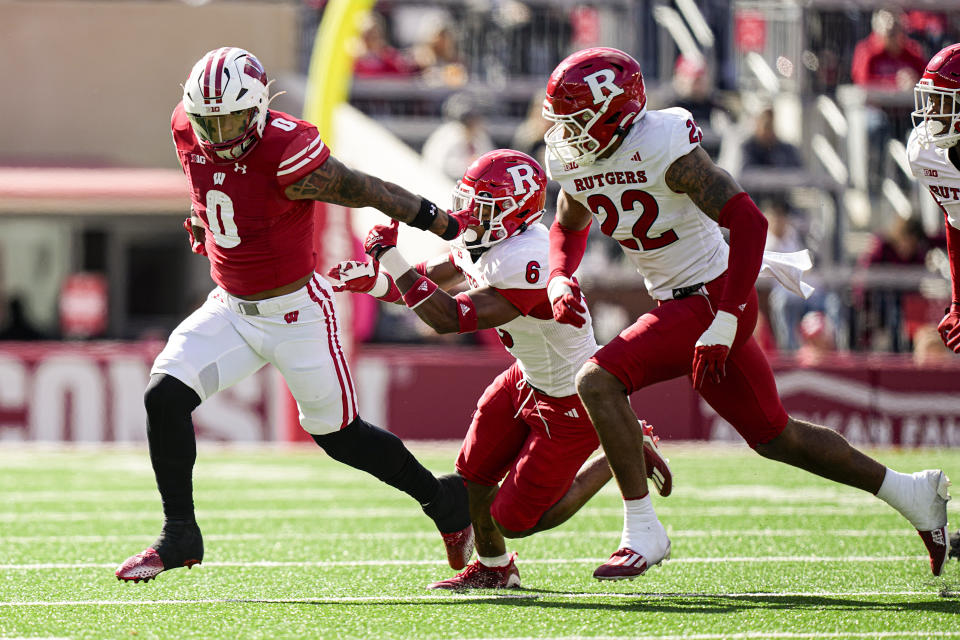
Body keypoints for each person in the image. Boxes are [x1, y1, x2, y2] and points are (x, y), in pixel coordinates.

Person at [541, 47, 951, 580]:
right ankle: (913, 493)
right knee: (775, 436)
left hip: (714, 293)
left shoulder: (663, 145)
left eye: (576, 120)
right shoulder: (576, 157)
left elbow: (749, 222)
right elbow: (569, 223)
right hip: (682, 300)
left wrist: (727, 318)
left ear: (613, 111)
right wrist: (558, 275)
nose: (566, 134)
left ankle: (642, 529)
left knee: (597, 381)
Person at [115, 47, 481, 583]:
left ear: (259, 109)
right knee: (163, 396)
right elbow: (211, 190)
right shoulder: (187, 129)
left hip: (296, 314)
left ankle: (443, 500)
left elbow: (366, 189)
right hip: (231, 307)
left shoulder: (287, 149)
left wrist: (443, 223)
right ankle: (180, 535)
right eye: (207, 120)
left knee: (340, 437)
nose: (216, 132)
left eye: (230, 119)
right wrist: (202, 221)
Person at [327, 149, 673, 590]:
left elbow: (447, 317)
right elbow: (426, 282)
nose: (470, 213)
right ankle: (495, 568)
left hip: (570, 399)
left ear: (517, 210)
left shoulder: (528, 257)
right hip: (524, 377)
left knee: (519, 519)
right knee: (471, 480)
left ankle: (621, 453)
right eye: (467, 199)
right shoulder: (484, 239)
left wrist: (389, 261)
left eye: (484, 205)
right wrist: (376, 279)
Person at [908, 42, 960, 362]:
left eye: (940, 102)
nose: (929, 112)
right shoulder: (924, 153)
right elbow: (956, 218)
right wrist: (957, 303)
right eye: (929, 100)